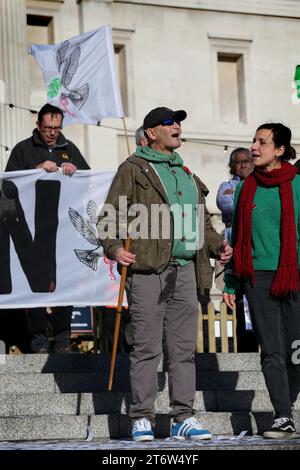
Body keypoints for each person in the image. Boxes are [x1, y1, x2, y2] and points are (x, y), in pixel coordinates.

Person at [98, 106, 232, 441]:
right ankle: (141, 416)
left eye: (179, 122)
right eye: (169, 122)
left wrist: (217, 245)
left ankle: (182, 416)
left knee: (183, 348)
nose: (177, 127)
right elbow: (109, 217)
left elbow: (202, 223)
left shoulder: (185, 173)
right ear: (151, 132)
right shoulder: (133, 169)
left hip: (185, 269)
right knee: (146, 347)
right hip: (148, 271)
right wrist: (114, 248)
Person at [223, 123, 300, 439]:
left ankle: (288, 402)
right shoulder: (245, 187)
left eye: (262, 142)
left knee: (296, 350)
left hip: (294, 275)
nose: (254, 147)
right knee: (271, 350)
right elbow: (237, 238)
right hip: (257, 278)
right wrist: (231, 283)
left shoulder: (297, 185)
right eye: (253, 141)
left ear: (279, 150)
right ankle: (283, 415)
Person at [5, 103, 90, 353]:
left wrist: (77, 172)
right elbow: (9, 185)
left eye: (57, 128)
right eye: (47, 128)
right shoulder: (23, 150)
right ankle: (39, 339)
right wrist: (35, 172)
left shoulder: (69, 149)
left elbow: (88, 182)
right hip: (32, 231)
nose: (52, 132)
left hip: (64, 229)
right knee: (36, 286)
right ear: (38, 126)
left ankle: (63, 339)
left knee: (65, 284)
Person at [216, 148, 257, 352]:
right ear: (232, 166)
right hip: (235, 248)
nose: (243, 165)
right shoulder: (226, 186)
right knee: (240, 301)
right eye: (238, 162)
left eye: (247, 160)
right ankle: (245, 349)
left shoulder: (260, 183)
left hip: (256, 249)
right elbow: (229, 206)